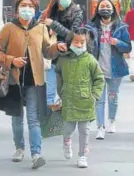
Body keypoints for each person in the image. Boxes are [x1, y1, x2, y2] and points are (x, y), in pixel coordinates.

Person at [0, 0, 67, 169]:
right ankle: (19, 148)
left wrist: (57, 47)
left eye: (31, 6)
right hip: (14, 80)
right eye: (24, 5)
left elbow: (47, 51)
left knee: (33, 118)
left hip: (35, 80)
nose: (27, 9)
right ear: (17, 9)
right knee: (17, 117)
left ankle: (36, 154)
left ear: (35, 9)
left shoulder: (40, 28)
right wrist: (12, 60)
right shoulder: (8, 28)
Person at [56, 28, 104, 168]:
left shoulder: (90, 60)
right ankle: (66, 141)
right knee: (68, 128)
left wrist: (94, 95)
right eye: (76, 41)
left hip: (85, 101)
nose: (78, 44)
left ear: (86, 42)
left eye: (82, 42)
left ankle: (82, 155)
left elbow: (99, 79)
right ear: (70, 41)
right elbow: (58, 72)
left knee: (84, 130)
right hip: (68, 100)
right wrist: (60, 90)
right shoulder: (63, 59)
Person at [85, 0, 132, 139]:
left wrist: (118, 42)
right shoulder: (91, 27)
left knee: (113, 97)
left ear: (113, 9)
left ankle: (112, 120)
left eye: (108, 5)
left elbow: (128, 47)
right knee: (99, 99)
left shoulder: (120, 27)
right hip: (97, 68)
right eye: (102, 5)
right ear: (98, 9)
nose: (105, 8)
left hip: (115, 69)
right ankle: (100, 127)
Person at [40, 0, 83, 110]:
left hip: (70, 57)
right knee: (50, 93)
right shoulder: (47, 12)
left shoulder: (77, 12)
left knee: (67, 93)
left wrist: (54, 25)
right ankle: (50, 124)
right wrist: (48, 29)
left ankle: (65, 122)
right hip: (52, 57)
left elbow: (73, 35)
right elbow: (38, 30)